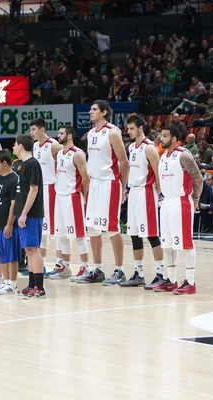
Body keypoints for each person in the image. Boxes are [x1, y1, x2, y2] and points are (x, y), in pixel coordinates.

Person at [80, 100, 130, 285]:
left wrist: (123, 187)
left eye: (94, 109)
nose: (90, 112)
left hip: (110, 183)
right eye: (90, 109)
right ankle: (98, 268)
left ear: (104, 112)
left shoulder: (113, 132)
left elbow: (124, 162)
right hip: (94, 183)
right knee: (92, 228)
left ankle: (120, 270)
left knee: (111, 228)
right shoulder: (91, 133)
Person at [155, 125, 203, 295]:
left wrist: (195, 198)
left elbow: (199, 179)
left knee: (186, 243)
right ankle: (171, 280)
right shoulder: (163, 157)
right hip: (166, 202)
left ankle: (190, 282)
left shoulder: (184, 155)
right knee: (167, 244)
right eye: (161, 135)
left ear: (174, 138)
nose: (162, 139)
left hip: (181, 201)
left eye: (165, 136)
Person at [120, 115, 165, 288]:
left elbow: (158, 172)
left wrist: (161, 194)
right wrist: (126, 189)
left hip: (147, 193)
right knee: (134, 234)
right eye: (128, 129)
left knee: (152, 234)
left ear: (140, 128)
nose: (129, 131)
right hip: (134, 192)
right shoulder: (132, 147)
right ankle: (138, 273)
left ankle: (160, 273)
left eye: (131, 128)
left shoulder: (149, 148)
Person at [50, 126, 90, 281]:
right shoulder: (59, 153)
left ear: (69, 136)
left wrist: (82, 194)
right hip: (59, 196)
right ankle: (65, 267)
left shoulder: (78, 154)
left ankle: (85, 267)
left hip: (72, 197)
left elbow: (85, 177)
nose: (58, 135)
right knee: (61, 236)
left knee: (79, 235)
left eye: (61, 133)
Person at [29, 118, 63, 276]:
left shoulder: (54, 145)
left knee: (54, 229)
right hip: (38, 189)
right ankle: (39, 264)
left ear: (42, 129)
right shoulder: (35, 146)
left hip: (51, 188)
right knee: (42, 229)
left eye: (34, 129)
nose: (32, 133)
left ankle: (60, 264)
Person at [12, 135, 45, 298]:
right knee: (28, 249)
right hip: (24, 213)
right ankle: (31, 284)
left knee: (33, 249)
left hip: (32, 213)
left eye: (14, 145)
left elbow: (34, 189)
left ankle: (39, 287)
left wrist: (24, 213)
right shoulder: (23, 164)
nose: (12, 148)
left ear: (20, 146)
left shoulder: (32, 163)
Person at [0, 150, 20, 293]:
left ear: (5, 163)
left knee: (11, 254)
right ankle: (5, 281)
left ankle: (12, 284)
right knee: (2, 254)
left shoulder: (14, 179)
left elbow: (14, 204)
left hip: (9, 225)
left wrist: (9, 224)